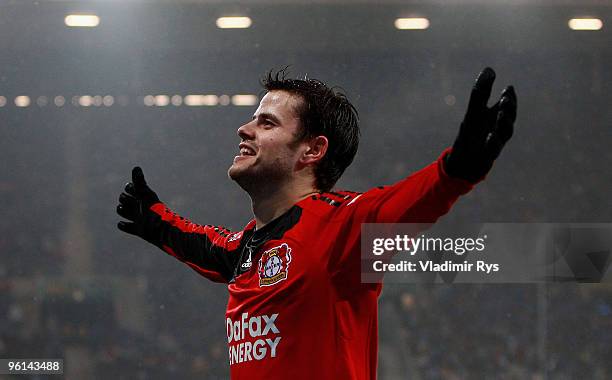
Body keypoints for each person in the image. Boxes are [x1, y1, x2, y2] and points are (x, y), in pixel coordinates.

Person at [116, 67, 517, 379]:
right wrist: (154, 218)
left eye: (267, 123)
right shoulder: (247, 248)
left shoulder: (339, 226)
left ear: (312, 149)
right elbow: (204, 245)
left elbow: (400, 206)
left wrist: (455, 171)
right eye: (253, 119)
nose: (244, 128)